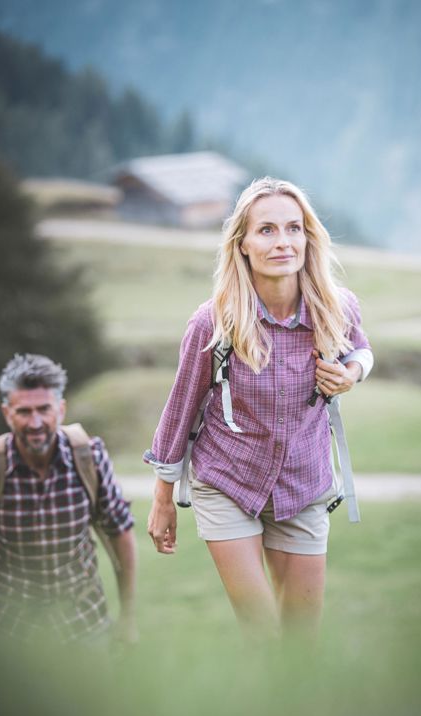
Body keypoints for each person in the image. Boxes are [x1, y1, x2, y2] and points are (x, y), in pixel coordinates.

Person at [144, 177, 373, 640]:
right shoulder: (213, 321)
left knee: (301, 639)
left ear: (308, 238)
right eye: (266, 230)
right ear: (242, 244)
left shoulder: (337, 306)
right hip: (228, 481)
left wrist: (352, 374)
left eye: (293, 228)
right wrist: (163, 499)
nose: (282, 241)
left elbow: (362, 350)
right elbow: (180, 409)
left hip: (304, 483)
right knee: (264, 636)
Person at [0, 354, 137, 645]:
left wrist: (127, 619)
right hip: (9, 632)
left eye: (44, 409)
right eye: (24, 411)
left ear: (61, 409)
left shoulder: (90, 459)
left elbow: (120, 532)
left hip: (84, 627)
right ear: (7, 413)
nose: (35, 422)